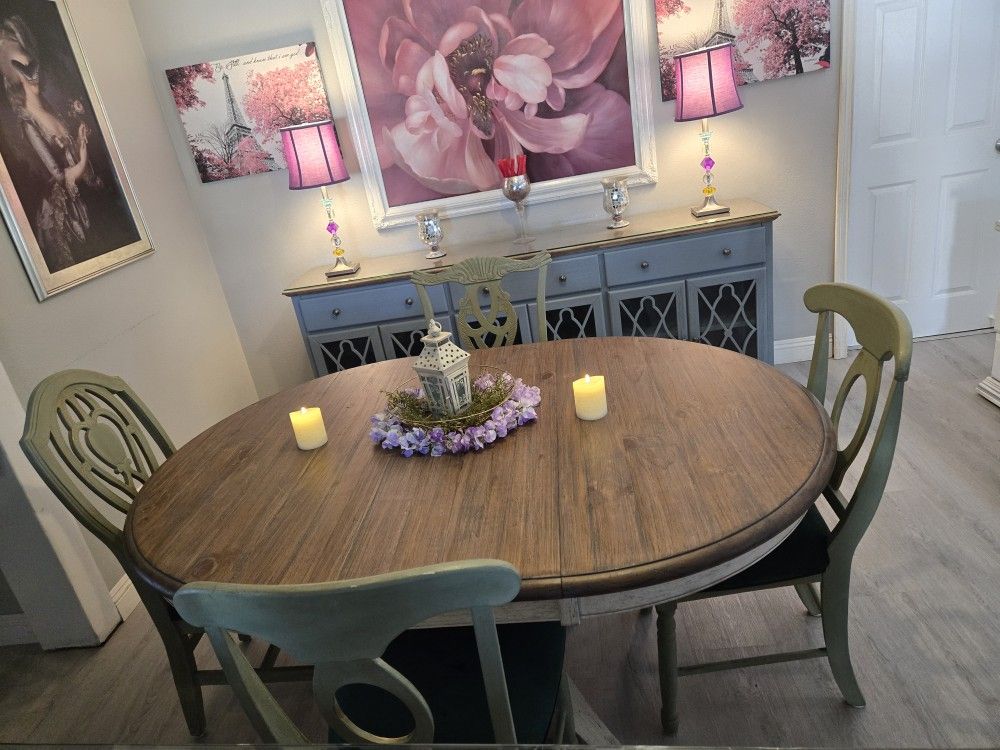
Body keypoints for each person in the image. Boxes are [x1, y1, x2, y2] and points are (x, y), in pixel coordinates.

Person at [0, 14, 98, 272]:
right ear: (11, 79)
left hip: (82, 202)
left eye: (31, 65)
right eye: (21, 70)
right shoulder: (28, 124)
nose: (31, 76)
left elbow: (72, 159)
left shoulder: (50, 109)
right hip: (62, 215)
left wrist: (79, 141)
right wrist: (83, 155)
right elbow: (62, 176)